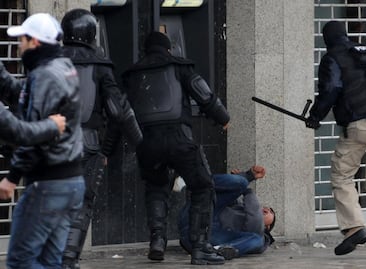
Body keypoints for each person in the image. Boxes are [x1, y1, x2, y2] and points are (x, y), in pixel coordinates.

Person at [122, 31, 230, 265]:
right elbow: (204, 95)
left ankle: (157, 241)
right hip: (178, 138)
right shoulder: (179, 67)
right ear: (168, 49)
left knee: (156, 188)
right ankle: (200, 247)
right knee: (202, 186)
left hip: (147, 142)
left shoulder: (132, 74)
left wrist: (105, 149)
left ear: (145, 51)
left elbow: (120, 110)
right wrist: (223, 118)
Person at [305, 21, 366, 259]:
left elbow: (331, 88)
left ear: (326, 39)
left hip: (362, 123)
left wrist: (315, 117)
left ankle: (354, 228)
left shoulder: (332, 58)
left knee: (342, 174)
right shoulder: (364, 52)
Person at [0, 13, 85, 268]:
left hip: (48, 185)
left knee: (21, 260)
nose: (18, 46)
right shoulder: (64, 67)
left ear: (34, 42)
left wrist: (12, 176)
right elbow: (24, 97)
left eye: (22, 40)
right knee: (50, 261)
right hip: (70, 182)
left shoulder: (44, 75)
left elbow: (27, 134)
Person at [59, 9, 143, 269]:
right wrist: (142, 144)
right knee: (81, 204)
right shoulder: (99, 65)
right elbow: (119, 111)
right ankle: (67, 259)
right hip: (87, 145)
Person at [178, 165, 276, 260]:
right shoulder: (240, 207)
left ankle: (217, 251)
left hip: (203, 238)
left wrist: (248, 191)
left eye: (271, 212)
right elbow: (226, 194)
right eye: (268, 208)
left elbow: (255, 219)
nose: (267, 209)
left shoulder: (258, 234)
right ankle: (193, 182)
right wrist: (246, 176)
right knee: (241, 182)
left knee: (257, 240)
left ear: (267, 227)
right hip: (195, 214)